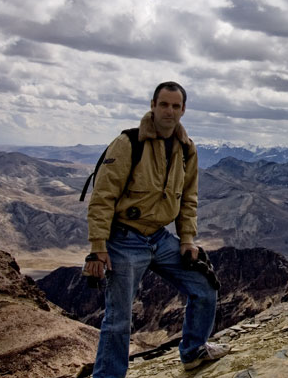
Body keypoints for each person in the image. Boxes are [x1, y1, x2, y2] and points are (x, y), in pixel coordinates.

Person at [85, 81, 229, 377]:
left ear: (183, 110)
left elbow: (189, 197)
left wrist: (187, 239)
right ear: (153, 105)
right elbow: (103, 196)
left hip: (160, 238)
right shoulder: (128, 143)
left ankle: (193, 351)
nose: (170, 111)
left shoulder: (187, 150)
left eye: (176, 106)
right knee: (119, 319)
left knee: (204, 287)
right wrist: (98, 247)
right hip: (124, 239)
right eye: (164, 104)